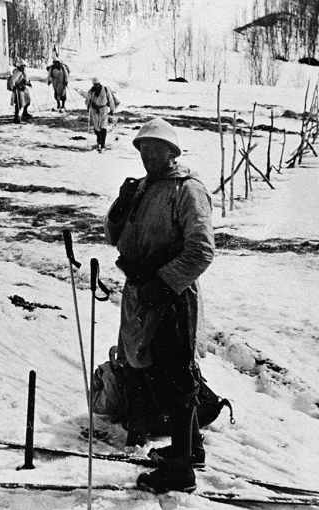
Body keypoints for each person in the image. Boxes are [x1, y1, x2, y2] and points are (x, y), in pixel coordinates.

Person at [103, 118, 215, 493]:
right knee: (155, 371)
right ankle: (191, 448)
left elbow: (201, 250)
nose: (148, 155)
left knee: (176, 379)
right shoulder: (144, 188)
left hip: (171, 297)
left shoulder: (188, 190)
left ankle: (181, 471)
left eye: (156, 149)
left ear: (172, 152)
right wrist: (120, 205)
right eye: (143, 149)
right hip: (142, 293)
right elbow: (115, 236)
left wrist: (163, 284)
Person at [85, 77, 116, 152]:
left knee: (103, 126)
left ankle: (103, 143)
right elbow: (87, 100)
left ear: (100, 84)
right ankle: (99, 140)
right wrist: (88, 106)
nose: (96, 86)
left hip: (103, 109)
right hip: (94, 110)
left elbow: (110, 99)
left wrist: (112, 109)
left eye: (97, 85)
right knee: (96, 126)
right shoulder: (91, 91)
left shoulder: (105, 89)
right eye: (95, 85)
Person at [10, 59, 32, 124]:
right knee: (18, 103)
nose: (23, 67)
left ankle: (25, 113)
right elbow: (13, 80)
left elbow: (26, 79)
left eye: (24, 66)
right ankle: (16, 117)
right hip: (18, 90)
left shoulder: (24, 72)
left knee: (28, 101)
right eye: (22, 66)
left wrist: (28, 82)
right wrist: (14, 86)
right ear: (19, 66)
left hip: (24, 88)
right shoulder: (17, 72)